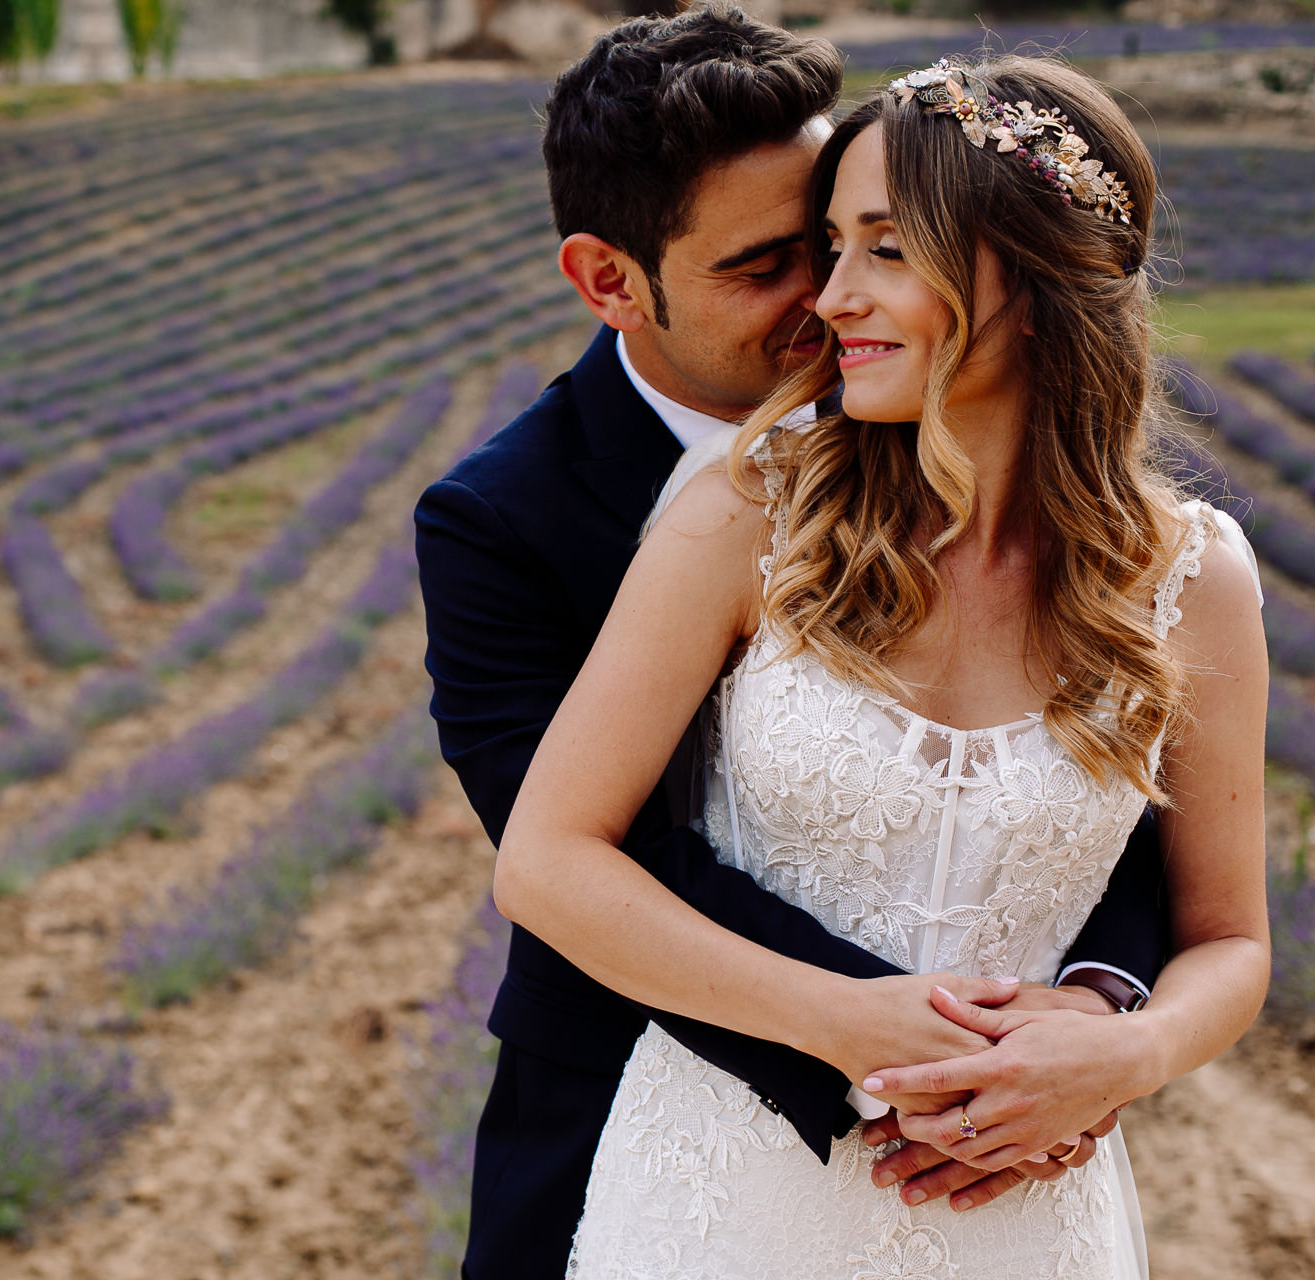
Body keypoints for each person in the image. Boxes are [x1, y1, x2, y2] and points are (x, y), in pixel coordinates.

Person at [413, 11, 1172, 1279]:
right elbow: (600, 852)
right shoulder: (506, 518)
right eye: (771, 263)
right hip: (653, 1112)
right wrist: (911, 1048)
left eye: (852, 239)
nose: (826, 301)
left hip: (992, 1151)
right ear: (610, 281)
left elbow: (1104, 793)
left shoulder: (1022, 477)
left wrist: (1096, 1014)